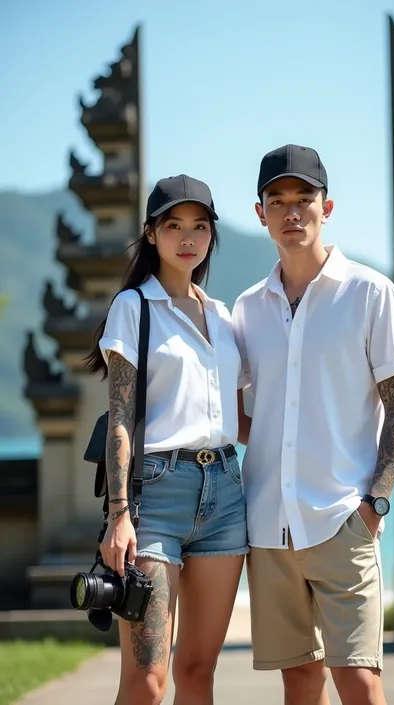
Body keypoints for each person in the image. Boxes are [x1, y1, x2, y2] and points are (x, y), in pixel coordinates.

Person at [232, 144, 394, 705]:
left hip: (344, 518)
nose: (292, 213)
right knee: (300, 681)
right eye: (278, 201)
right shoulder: (246, 308)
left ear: (327, 206)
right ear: (260, 212)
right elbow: (242, 413)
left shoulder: (370, 292)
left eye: (304, 200)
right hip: (268, 524)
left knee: (360, 681)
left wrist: (376, 501)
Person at [85, 174, 248, 705]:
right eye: (174, 225)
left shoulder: (223, 317)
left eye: (200, 227)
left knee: (199, 670)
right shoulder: (134, 307)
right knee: (147, 681)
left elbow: (238, 418)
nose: (188, 238)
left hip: (225, 492)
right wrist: (118, 513)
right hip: (155, 493)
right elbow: (120, 419)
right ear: (151, 233)